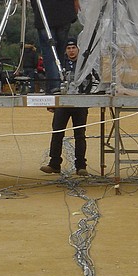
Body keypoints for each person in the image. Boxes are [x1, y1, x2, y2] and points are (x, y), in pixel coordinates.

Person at [40, 37, 89, 177]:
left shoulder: (85, 64)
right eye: (69, 48)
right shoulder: (59, 64)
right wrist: (52, 102)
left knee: (80, 135)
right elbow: (52, 82)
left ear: (78, 49)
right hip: (62, 102)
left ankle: (81, 166)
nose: (71, 51)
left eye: (73, 48)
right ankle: (54, 164)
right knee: (57, 133)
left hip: (79, 103)